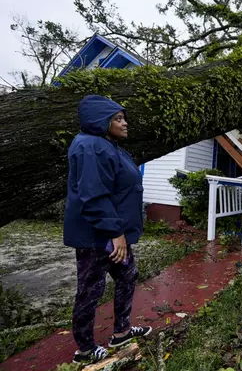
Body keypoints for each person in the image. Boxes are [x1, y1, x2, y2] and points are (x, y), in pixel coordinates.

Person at [64, 95, 152, 364]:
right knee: (91, 289)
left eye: (123, 117)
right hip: (97, 235)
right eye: (118, 118)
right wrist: (115, 233)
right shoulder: (91, 147)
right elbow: (93, 196)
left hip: (113, 231)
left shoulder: (106, 145)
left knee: (127, 274)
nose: (125, 124)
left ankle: (122, 332)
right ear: (101, 121)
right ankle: (85, 349)